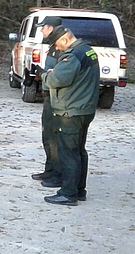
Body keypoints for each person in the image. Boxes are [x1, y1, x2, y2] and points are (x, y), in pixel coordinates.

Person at [35, 26, 100, 206]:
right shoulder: (87, 51)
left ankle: (68, 193)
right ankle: (79, 190)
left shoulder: (72, 56)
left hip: (70, 110)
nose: (58, 49)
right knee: (79, 151)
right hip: (85, 108)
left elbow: (56, 80)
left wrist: (44, 75)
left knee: (68, 152)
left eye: (58, 45)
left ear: (64, 40)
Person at [28, 16, 63, 184]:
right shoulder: (53, 46)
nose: (41, 30)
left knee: (54, 137)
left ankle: (57, 174)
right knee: (47, 135)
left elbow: (60, 74)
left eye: (43, 27)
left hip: (56, 97)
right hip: (49, 95)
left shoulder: (61, 48)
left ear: (50, 27)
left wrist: (45, 74)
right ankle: (50, 169)